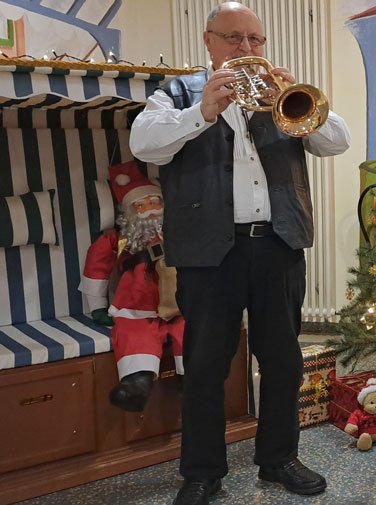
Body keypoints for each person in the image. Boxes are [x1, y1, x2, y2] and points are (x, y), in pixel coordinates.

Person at [129, 3, 350, 505]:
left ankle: (279, 459)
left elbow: (337, 140)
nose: (247, 49)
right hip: (209, 255)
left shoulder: (283, 94)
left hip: (278, 245)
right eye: (234, 38)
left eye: (255, 40)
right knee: (205, 365)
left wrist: (287, 102)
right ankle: (203, 472)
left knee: (283, 360)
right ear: (209, 42)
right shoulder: (178, 94)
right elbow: (145, 145)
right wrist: (200, 113)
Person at [79, 161, 184, 412]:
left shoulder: (177, 231)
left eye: (154, 202)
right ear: (129, 212)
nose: (149, 210)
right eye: (141, 205)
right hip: (137, 308)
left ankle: (193, 381)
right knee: (134, 335)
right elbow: (97, 266)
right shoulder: (120, 239)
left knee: (191, 331)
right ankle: (137, 384)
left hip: (180, 304)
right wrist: (97, 307)